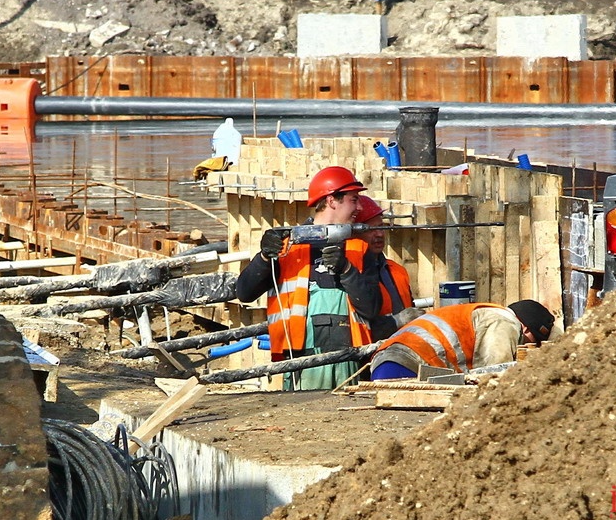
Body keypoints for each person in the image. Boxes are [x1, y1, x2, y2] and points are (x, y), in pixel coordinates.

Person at [236, 166, 382, 390]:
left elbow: (371, 308)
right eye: (354, 199)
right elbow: (244, 293)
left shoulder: (359, 250)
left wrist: (345, 269)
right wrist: (264, 257)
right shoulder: (287, 246)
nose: (360, 207)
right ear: (332, 200)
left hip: (349, 360)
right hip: (301, 363)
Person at [369, 299, 555, 380]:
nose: (531, 345)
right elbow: (492, 375)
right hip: (409, 365)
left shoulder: (481, 313)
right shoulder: (504, 321)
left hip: (386, 361)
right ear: (525, 327)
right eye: (534, 339)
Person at [355, 195, 423, 340]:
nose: (379, 234)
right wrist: (396, 321)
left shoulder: (397, 271)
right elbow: (356, 330)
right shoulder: (351, 275)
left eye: (381, 227)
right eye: (370, 229)